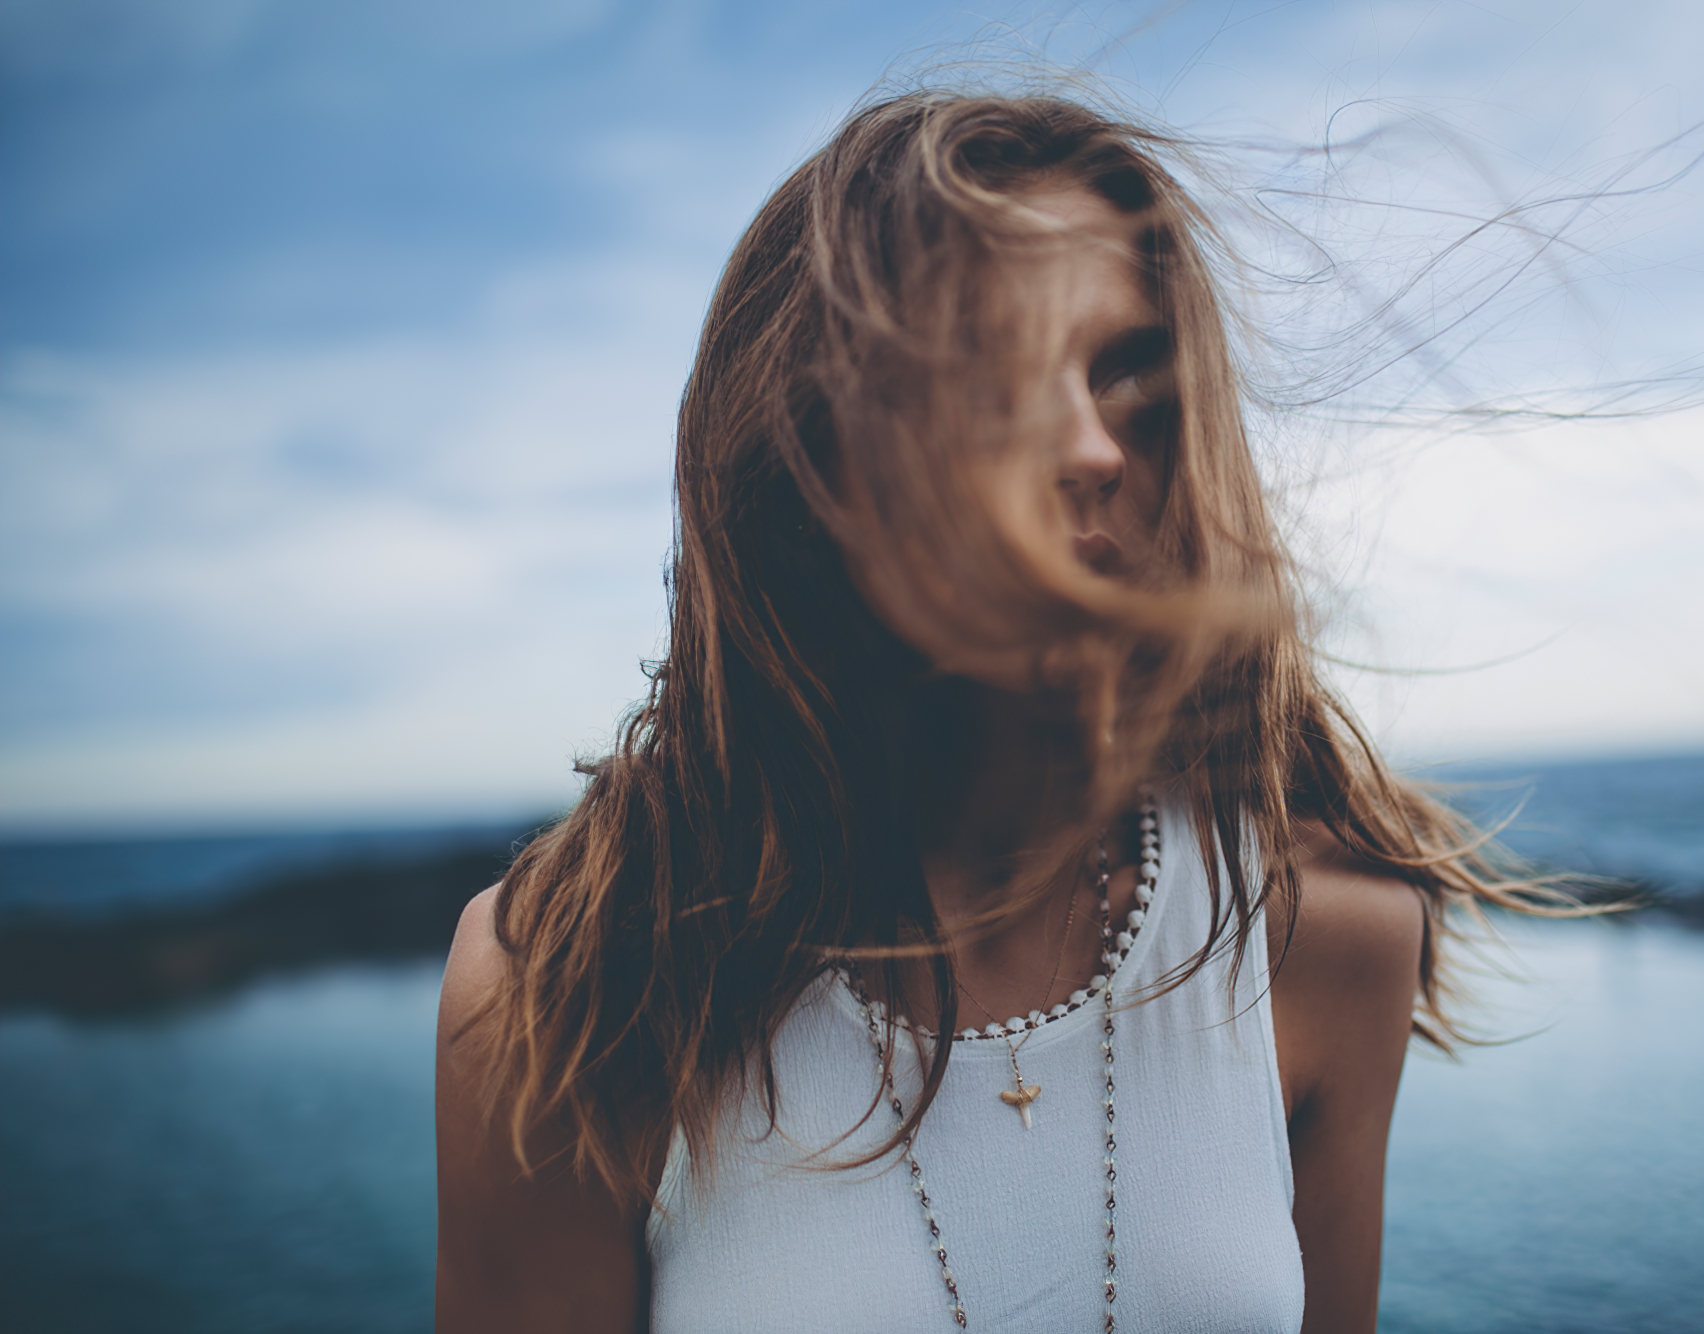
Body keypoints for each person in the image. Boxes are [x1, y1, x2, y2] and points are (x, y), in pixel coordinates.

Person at [436, 90, 1548, 1333]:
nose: (1088, 448)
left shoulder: (1325, 931)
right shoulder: (573, 985)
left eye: (1125, 369)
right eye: (990, 373)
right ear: (803, 459)